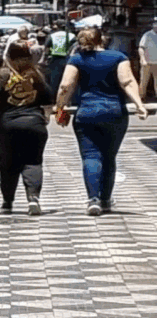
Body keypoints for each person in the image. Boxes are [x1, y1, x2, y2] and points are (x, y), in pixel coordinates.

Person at [55, 24, 148, 216]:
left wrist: (60, 107)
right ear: (102, 39)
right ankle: (106, 199)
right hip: (114, 112)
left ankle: (93, 199)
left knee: (90, 156)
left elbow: (66, 85)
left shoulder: (77, 59)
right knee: (109, 156)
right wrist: (139, 104)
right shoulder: (118, 57)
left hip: (86, 113)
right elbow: (127, 81)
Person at [0, 40, 54, 214]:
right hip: (34, 123)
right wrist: (45, 119)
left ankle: (8, 201)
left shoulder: (1, 74)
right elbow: (48, 102)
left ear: (7, 56)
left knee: (7, 163)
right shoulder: (37, 74)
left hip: (5, 125)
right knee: (33, 161)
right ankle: (33, 198)